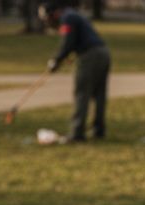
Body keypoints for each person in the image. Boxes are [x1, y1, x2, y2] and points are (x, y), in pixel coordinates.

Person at [39, 0, 110, 142]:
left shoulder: (67, 18)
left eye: (49, 18)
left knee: (82, 93)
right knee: (99, 94)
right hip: (103, 53)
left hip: (90, 56)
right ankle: (98, 130)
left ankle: (77, 132)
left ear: (54, 13)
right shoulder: (73, 15)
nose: (50, 22)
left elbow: (68, 42)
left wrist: (56, 60)